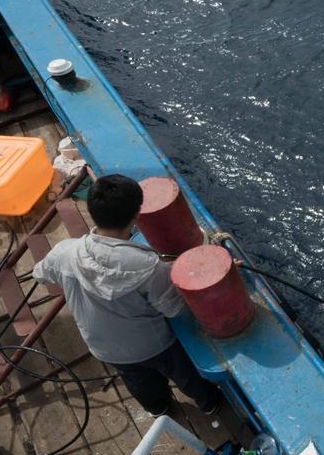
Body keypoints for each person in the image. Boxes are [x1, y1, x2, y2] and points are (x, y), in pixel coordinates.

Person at [32, 173, 222, 416]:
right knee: (185, 373)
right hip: (153, 344)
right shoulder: (149, 266)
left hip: (103, 347)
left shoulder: (64, 253)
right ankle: (209, 403)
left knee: (138, 381)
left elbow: (40, 274)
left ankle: (158, 408)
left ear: (92, 210)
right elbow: (172, 308)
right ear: (135, 215)